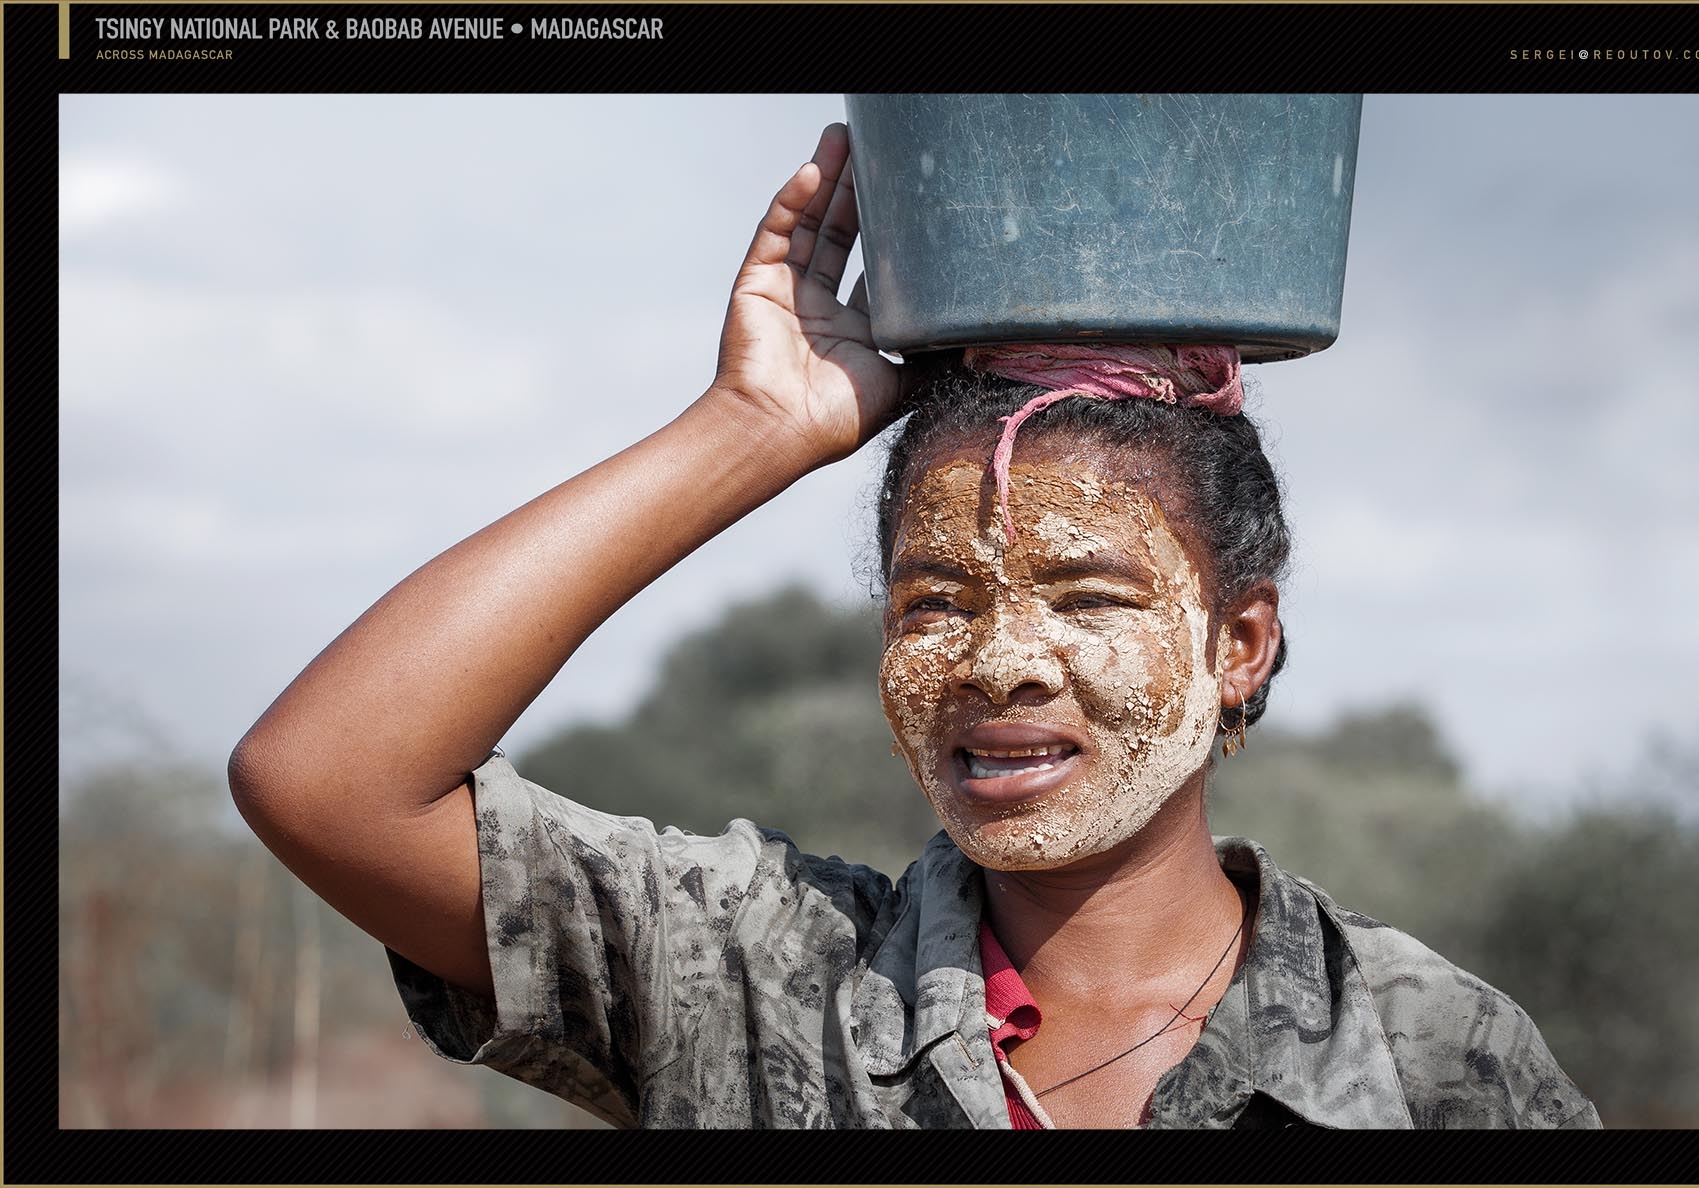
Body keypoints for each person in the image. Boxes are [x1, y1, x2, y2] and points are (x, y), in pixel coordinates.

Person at [230, 124, 1599, 1130]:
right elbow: (326, 781)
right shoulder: (763, 979)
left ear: (1236, 645)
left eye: (1089, 597)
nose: (1000, 662)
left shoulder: (1434, 1061)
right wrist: (750, 431)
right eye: (933, 603)